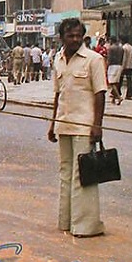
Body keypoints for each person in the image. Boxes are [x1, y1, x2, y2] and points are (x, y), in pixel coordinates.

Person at [47, 18, 106, 238]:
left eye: (78, 35)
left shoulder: (94, 59)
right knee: (65, 174)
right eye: (70, 35)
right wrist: (53, 123)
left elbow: (100, 93)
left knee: (83, 176)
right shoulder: (58, 60)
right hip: (63, 125)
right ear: (62, 37)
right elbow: (57, 94)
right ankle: (66, 222)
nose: (75, 39)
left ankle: (84, 227)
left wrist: (97, 125)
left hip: (84, 127)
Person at [105, 36, 124, 104]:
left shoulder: (111, 48)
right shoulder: (121, 48)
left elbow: (109, 59)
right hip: (119, 65)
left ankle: (119, 97)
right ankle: (113, 99)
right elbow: (122, 58)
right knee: (116, 83)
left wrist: (106, 66)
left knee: (111, 82)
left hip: (112, 65)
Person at [119, 36, 132, 100]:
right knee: (129, 81)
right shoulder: (131, 47)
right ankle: (129, 94)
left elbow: (124, 58)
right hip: (130, 66)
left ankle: (117, 92)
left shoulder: (124, 47)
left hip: (124, 66)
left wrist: (122, 66)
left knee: (120, 80)